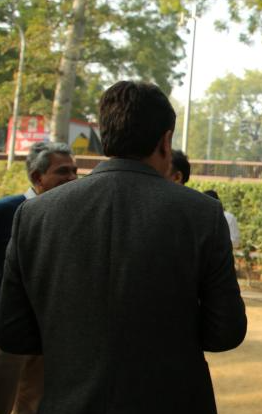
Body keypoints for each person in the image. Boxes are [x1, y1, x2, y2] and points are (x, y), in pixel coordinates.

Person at [0, 81, 247, 414]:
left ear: (107, 136)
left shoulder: (34, 214)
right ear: (165, 140)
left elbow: (13, 331)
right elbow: (226, 332)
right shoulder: (201, 213)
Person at [0, 142, 77, 414]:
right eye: (63, 171)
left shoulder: (72, 216)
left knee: (33, 404)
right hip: (7, 333)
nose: (72, 178)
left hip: (49, 333)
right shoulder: (6, 211)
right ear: (36, 177)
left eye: (74, 171)